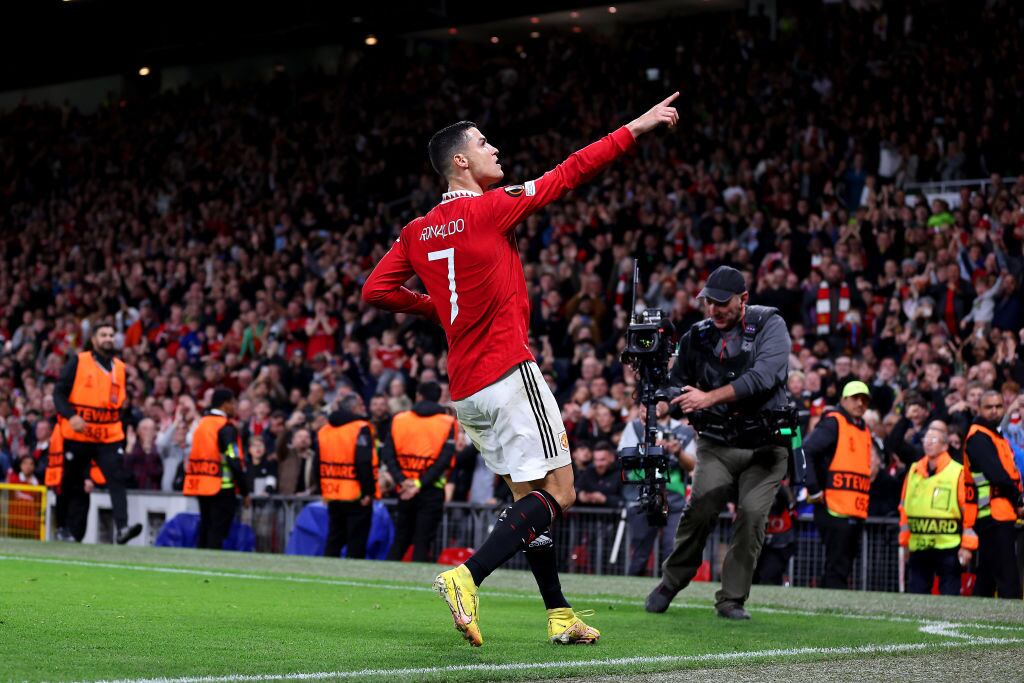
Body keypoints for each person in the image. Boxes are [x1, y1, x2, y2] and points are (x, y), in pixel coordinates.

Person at [362, 92, 679, 645]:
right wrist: (637, 126)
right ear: (461, 161)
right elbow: (570, 172)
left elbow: (376, 289)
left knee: (527, 503)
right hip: (508, 373)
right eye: (484, 143)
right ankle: (467, 575)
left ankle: (559, 615)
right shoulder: (491, 207)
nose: (495, 148)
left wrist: (435, 308)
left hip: (466, 390)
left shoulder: (417, 230)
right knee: (561, 492)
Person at [646, 265, 792, 620]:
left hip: (766, 447)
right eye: (708, 302)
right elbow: (675, 382)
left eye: (721, 303)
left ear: (744, 300)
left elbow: (763, 377)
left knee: (753, 515)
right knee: (701, 508)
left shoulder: (771, 325)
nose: (713, 310)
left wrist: (708, 398)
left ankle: (731, 599)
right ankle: (672, 580)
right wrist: (660, 403)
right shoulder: (696, 337)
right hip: (718, 442)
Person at [53, 322, 142, 544]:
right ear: (94, 339)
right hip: (79, 435)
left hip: (107, 437)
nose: (108, 338)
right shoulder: (79, 361)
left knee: (117, 479)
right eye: (103, 335)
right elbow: (59, 393)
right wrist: (70, 416)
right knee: (70, 483)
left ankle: (122, 528)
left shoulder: (120, 368)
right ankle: (62, 526)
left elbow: (119, 404)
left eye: (111, 334)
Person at [802, 381, 873, 589]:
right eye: (855, 398)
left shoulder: (862, 428)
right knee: (837, 565)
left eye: (864, 399)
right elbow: (807, 451)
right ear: (843, 399)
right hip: (832, 505)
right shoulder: (834, 422)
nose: (860, 403)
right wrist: (814, 489)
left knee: (844, 563)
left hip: (854, 507)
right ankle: (831, 608)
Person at [380, 381, 457, 562]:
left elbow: (388, 454)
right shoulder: (448, 423)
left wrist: (403, 481)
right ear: (439, 398)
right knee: (423, 542)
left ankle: (386, 578)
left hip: (404, 490)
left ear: (418, 396)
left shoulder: (399, 419)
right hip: (430, 490)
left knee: (400, 540)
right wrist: (419, 484)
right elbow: (443, 461)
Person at [899, 421, 977, 596]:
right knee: (916, 595)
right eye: (926, 439)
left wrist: (967, 546)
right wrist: (904, 542)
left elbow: (969, 512)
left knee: (949, 595)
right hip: (919, 545)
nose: (928, 443)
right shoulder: (914, 471)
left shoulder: (958, 472)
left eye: (934, 440)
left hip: (948, 546)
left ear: (945, 445)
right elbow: (904, 508)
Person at [617, 403, 696, 576]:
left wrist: (677, 451)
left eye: (660, 401)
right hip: (641, 493)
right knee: (640, 550)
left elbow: (692, 465)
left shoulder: (684, 430)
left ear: (670, 403)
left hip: (673, 496)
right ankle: (633, 588)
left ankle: (670, 589)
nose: (653, 406)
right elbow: (624, 457)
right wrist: (650, 446)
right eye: (647, 403)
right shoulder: (635, 426)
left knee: (673, 548)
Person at [964, 390, 1023, 599]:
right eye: (989, 407)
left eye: (998, 406)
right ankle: (1013, 623)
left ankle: (978, 620)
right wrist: (1019, 499)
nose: (995, 410)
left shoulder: (994, 436)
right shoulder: (979, 436)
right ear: (979, 409)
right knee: (1008, 578)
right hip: (994, 514)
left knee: (987, 576)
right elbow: (997, 475)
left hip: (996, 514)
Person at [183, 388, 250, 550]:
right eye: (233, 403)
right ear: (225, 404)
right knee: (217, 531)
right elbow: (234, 460)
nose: (235, 407)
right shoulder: (226, 427)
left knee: (205, 527)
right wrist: (245, 491)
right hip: (222, 487)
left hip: (201, 484)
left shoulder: (201, 425)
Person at [318, 394, 378, 559]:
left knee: (334, 540)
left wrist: (322, 490)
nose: (363, 408)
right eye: (360, 405)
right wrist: (368, 491)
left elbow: (318, 461)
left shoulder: (324, 430)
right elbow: (363, 461)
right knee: (356, 542)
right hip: (356, 494)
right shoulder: (360, 428)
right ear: (354, 408)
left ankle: (325, 577)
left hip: (333, 491)